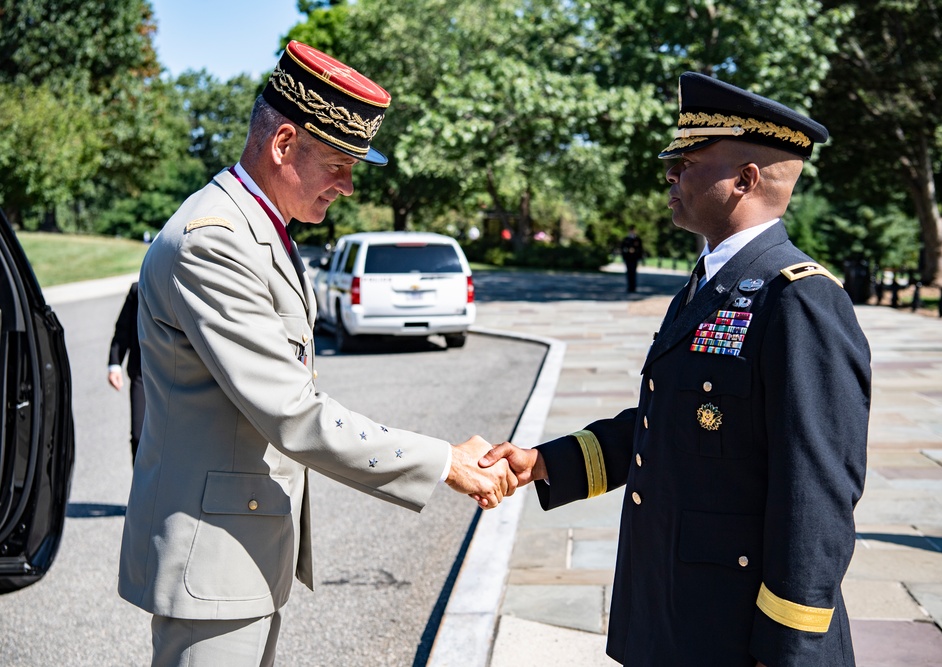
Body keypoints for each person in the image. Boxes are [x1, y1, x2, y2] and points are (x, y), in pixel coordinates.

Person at [118, 41, 513, 666]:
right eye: (339, 163)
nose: (349, 186)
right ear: (283, 145)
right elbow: (294, 414)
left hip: (236, 547)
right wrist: (445, 462)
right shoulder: (214, 242)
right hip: (210, 558)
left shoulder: (254, 226)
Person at [483, 72, 871, 666]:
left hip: (740, 634)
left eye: (688, 161)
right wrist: (544, 463)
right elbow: (669, 421)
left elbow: (816, 496)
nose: (670, 173)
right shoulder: (710, 280)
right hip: (678, 611)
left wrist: (788, 648)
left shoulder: (798, 299)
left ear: (745, 180)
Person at [107, 281, 143, 464]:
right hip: (141, 375)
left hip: (177, 374)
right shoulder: (138, 290)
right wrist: (115, 364)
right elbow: (123, 329)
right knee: (138, 436)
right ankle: (142, 486)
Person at [620, 226, 644, 292]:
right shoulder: (626, 239)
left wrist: (638, 255)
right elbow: (623, 249)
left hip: (634, 258)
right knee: (629, 273)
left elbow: (640, 249)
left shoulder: (638, 239)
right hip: (628, 258)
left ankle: (633, 287)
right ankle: (629, 287)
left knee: (633, 272)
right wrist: (627, 252)